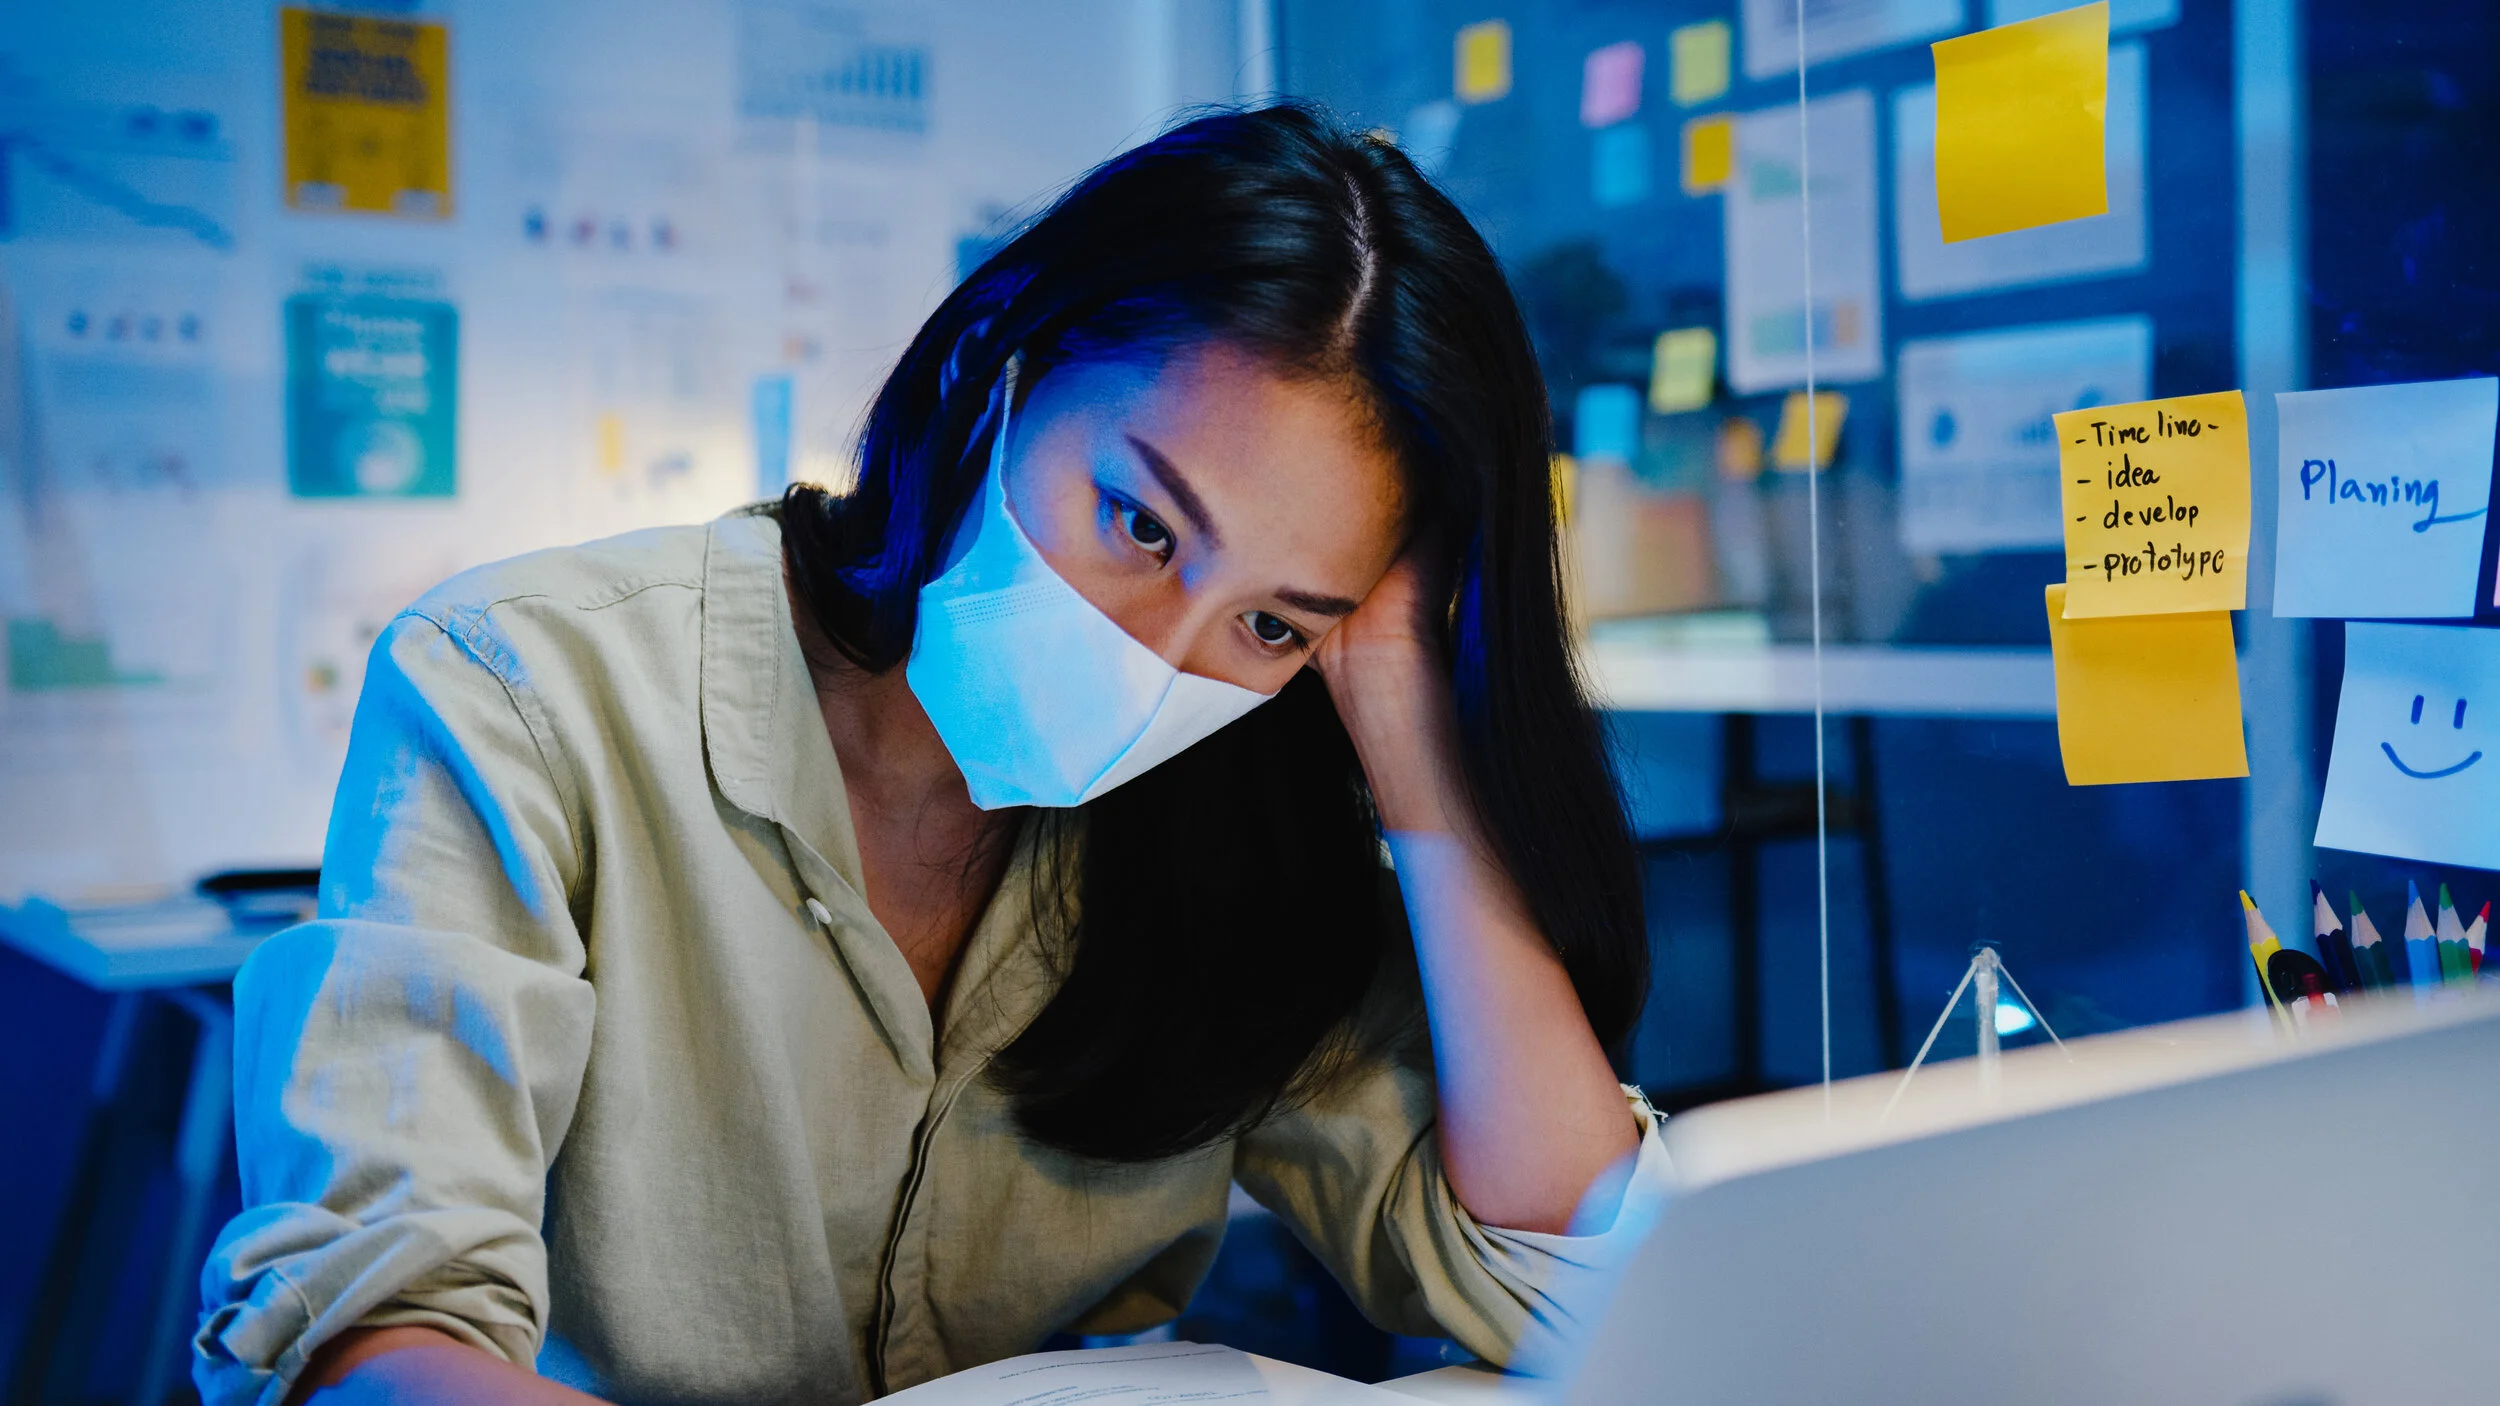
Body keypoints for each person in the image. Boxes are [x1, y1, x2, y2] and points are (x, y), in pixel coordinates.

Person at [195, 104, 1665, 1406]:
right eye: (1142, 526)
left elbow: (1578, 1293)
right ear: (997, 372)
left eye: (1275, 623)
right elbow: (374, 1342)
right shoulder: (531, 686)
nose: (1167, 655)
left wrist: (1422, 749)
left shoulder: (1240, 829)